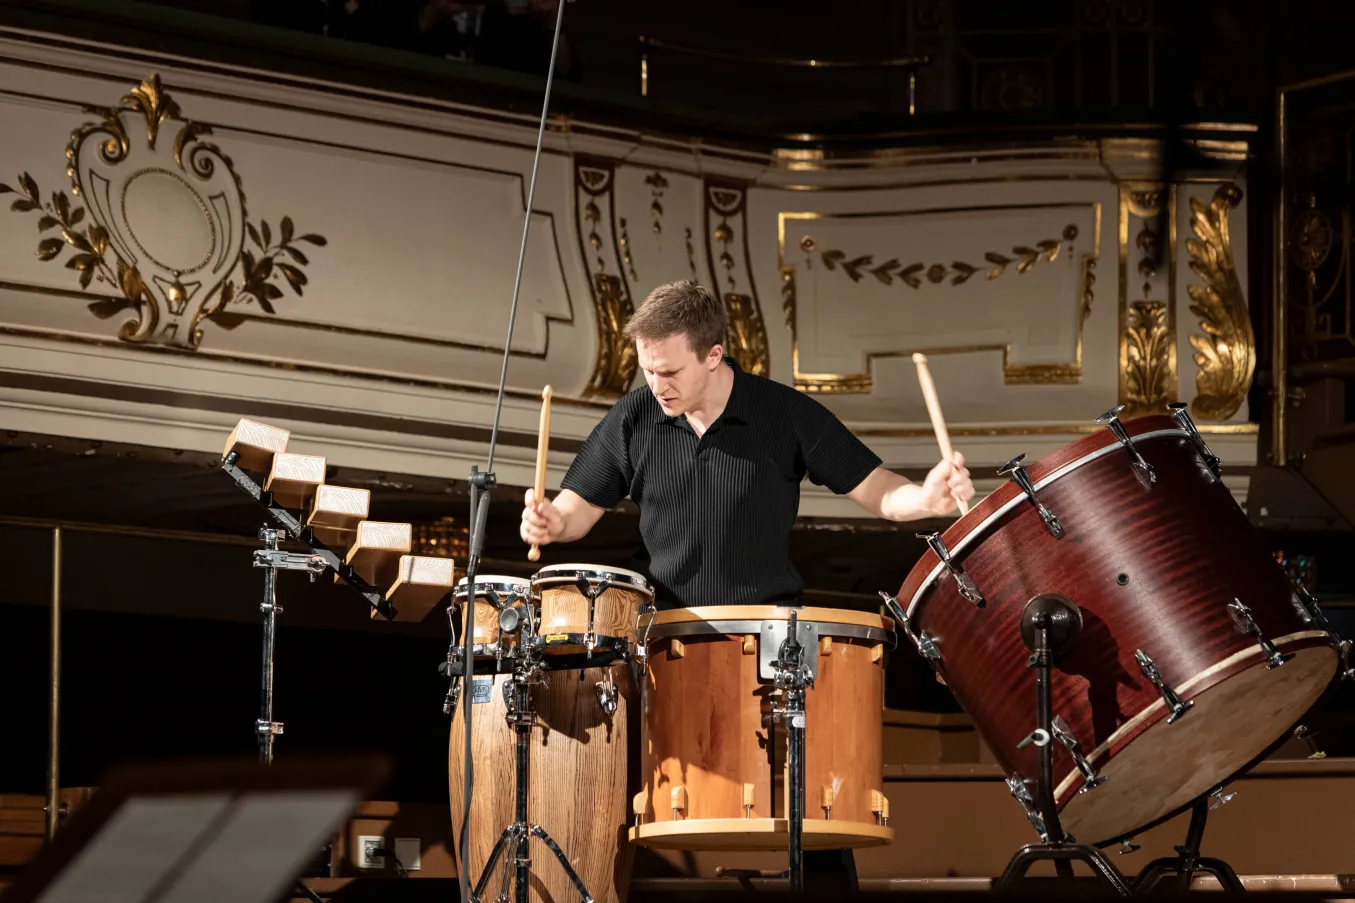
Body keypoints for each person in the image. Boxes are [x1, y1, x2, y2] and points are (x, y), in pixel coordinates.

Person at [518, 280, 975, 889]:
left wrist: (928, 496)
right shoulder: (635, 416)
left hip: (771, 641)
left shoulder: (781, 414)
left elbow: (879, 491)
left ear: (714, 355)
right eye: (649, 371)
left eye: (670, 370)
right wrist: (551, 520)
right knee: (621, 802)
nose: (658, 385)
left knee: (813, 810)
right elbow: (576, 510)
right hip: (665, 640)